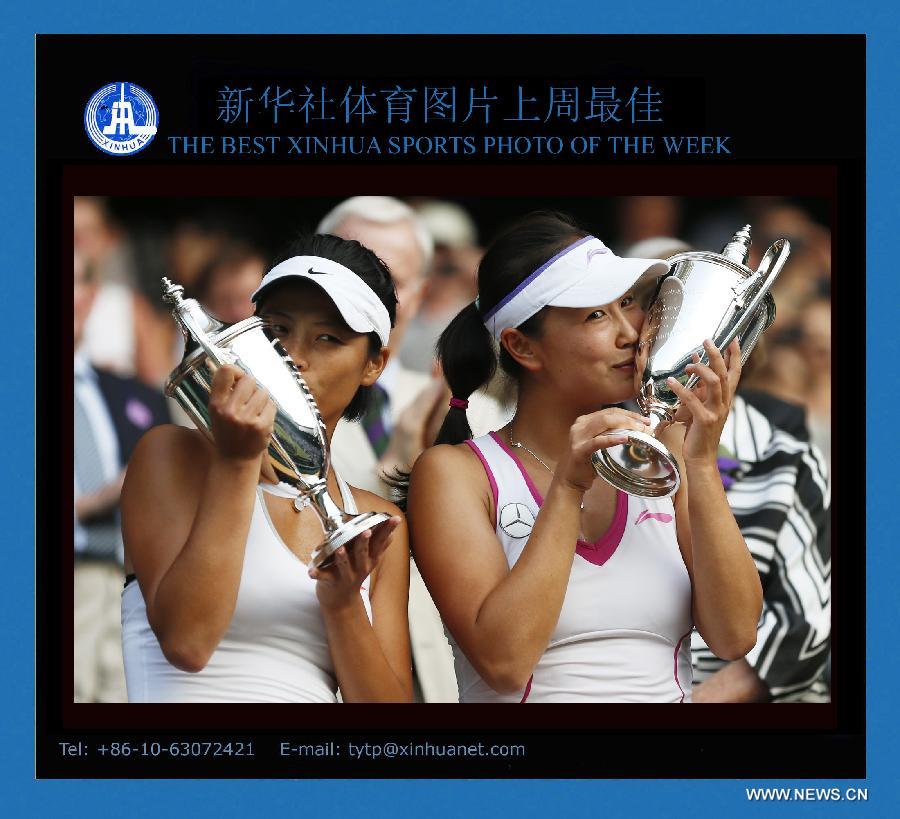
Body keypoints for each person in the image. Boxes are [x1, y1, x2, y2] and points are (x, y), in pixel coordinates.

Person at [407, 212, 763, 702]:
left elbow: (734, 635)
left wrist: (699, 461)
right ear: (521, 347)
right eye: (596, 315)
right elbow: (505, 662)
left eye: (629, 304)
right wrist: (568, 488)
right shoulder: (455, 473)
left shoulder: (669, 458)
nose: (629, 333)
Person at [120, 235, 413, 703]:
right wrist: (238, 463)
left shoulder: (377, 519)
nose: (293, 356)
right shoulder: (171, 454)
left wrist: (342, 606)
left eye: (328, 338)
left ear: (374, 365)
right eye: (275, 331)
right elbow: (187, 643)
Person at [319, 196, 513, 703]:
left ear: (423, 291)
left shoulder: (471, 410)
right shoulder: (256, 409)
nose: (373, 298)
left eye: (394, 281)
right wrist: (404, 465)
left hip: (447, 676)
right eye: (352, 274)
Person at [74, 252, 170, 702]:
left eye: (74, 283)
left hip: (130, 585)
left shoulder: (134, 396)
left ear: (91, 297)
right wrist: (103, 496)